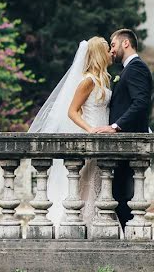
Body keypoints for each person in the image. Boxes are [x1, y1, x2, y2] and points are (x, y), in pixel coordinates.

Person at [28, 37, 112, 228]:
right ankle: (80, 223)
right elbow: (72, 111)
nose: (110, 54)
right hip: (91, 135)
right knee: (84, 183)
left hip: (103, 137)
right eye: (107, 50)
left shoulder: (102, 80)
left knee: (96, 182)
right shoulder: (87, 81)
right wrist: (90, 129)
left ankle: (93, 223)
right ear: (99, 53)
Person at [91, 28, 153, 229]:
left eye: (114, 45)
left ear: (126, 43)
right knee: (119, 196)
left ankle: (129, 241)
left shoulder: (136, 68)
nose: (111, 50)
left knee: (122, 196)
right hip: (124, 145)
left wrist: (116, 127)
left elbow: (141, 102)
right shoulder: (128, 69)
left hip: (130, 145)